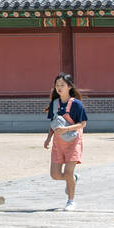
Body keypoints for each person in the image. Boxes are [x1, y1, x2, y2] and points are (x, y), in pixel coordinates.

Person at [44, 73, 87, 211]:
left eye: (62, 85)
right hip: (58, 143)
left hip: (73, 142)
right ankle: (72, 178)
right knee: (55, 175)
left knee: (67, 172)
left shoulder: (76, 104)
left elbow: (83, 124)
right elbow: (53, 123)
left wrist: (66, 128)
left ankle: (71, 201)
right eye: (57, 85)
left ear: (69, 86)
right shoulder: (54, 104)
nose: (59, 87)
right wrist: (48, 138)